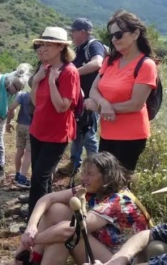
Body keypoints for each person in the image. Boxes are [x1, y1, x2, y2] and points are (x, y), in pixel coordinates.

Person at [16, 152, 150, 264]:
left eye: (90, 174)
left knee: (69, 236)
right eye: (84, 172)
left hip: (119, 260)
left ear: (106, 178)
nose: (84, 178)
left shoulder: (119, 200)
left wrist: (31, 241)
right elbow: (48, 198)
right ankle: (33, 259)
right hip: (104, 249)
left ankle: (30, 257)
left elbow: (72, 231)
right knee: (56, 210)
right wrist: (31, 228)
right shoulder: (92, 189)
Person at [84, 10, 157, 173]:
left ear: (135, 34)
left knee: (119, 185)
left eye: (118, 35)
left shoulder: (146, 65)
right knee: (103, 181)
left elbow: (136, 104)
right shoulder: (110, 60)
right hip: (108, 132)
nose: (114, 40)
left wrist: (101, 107)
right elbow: (94, 89)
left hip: (131, 137)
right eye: (111, 36)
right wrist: (103, 103)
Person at [27, 27, 80, 217]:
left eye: (48, 44)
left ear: (60, 47)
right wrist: (36, 81)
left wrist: (50, 82)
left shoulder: (69, 72)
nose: (44, 48)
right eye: (42, 44)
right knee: (41, 177)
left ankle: (34, 218)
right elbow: (35, 102)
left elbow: (62, 107)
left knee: (39, 179)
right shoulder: (45, 68)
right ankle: (46, 214)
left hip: (56, 134)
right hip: (38, 131)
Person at [57, 18, 106, 177]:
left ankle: (97, 170)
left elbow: (98, 63)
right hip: (80, 100)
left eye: (74, 31)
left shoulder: (94, 45)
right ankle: (75, 163)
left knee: (89, 135)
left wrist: (73, 74)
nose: (72, 34)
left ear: (82, 32)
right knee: (77, 133)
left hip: (90, 100)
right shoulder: (80, 49)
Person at [7, 87, 33, 189]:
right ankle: (22, 178)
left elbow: (12, 108)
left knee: (19, 151)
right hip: (32, 127)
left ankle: (17, 173)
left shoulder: (23, 95)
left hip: (20, 126)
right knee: (28, 153)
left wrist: (8, 122)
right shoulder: (37, 96)